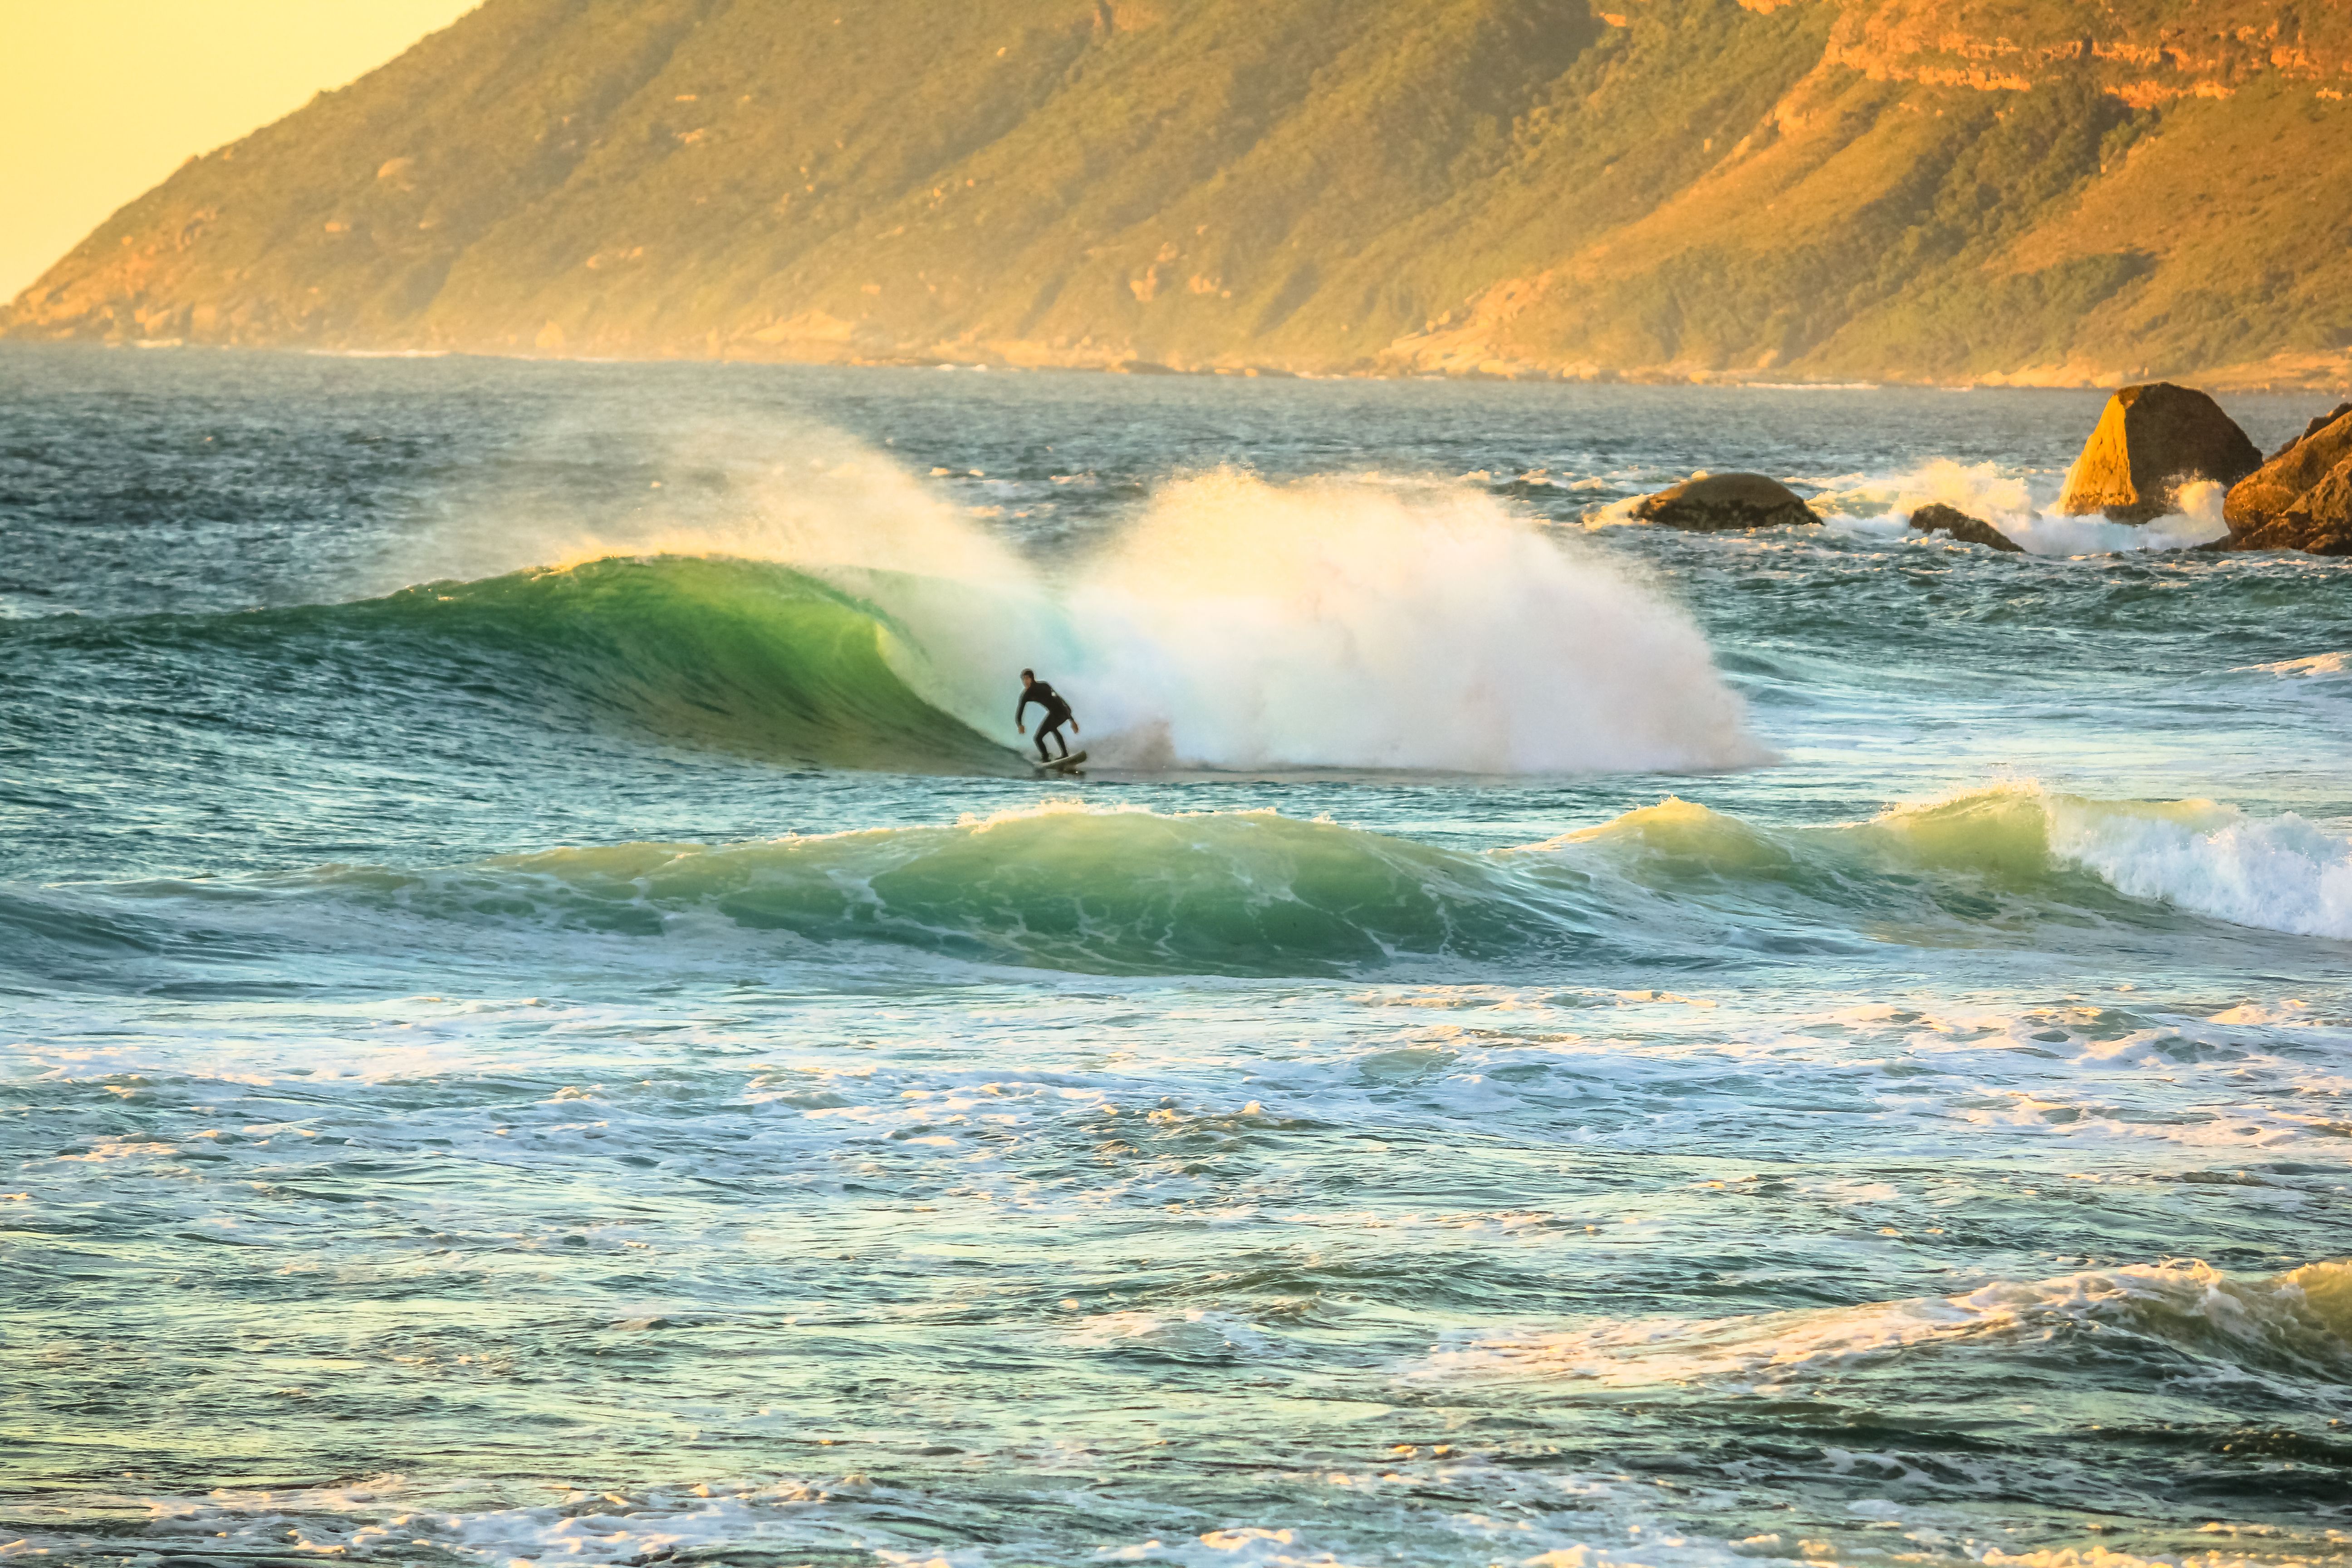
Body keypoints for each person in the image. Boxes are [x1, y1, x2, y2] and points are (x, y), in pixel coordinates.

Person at [1015, 668, 1079, 761]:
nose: (1025, 682)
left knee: (1052, 727)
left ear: (1032, 678)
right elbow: (1020, 711)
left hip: (1064, 710)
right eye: (1023, 679)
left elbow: (1059, 701)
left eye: (1027, 679)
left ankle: (1065, 754)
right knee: (1038, 738)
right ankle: (1046, 758)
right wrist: (1020, 724)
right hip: (1053, 714)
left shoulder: (1044, 686)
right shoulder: (1026, 695)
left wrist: (1072, 720)